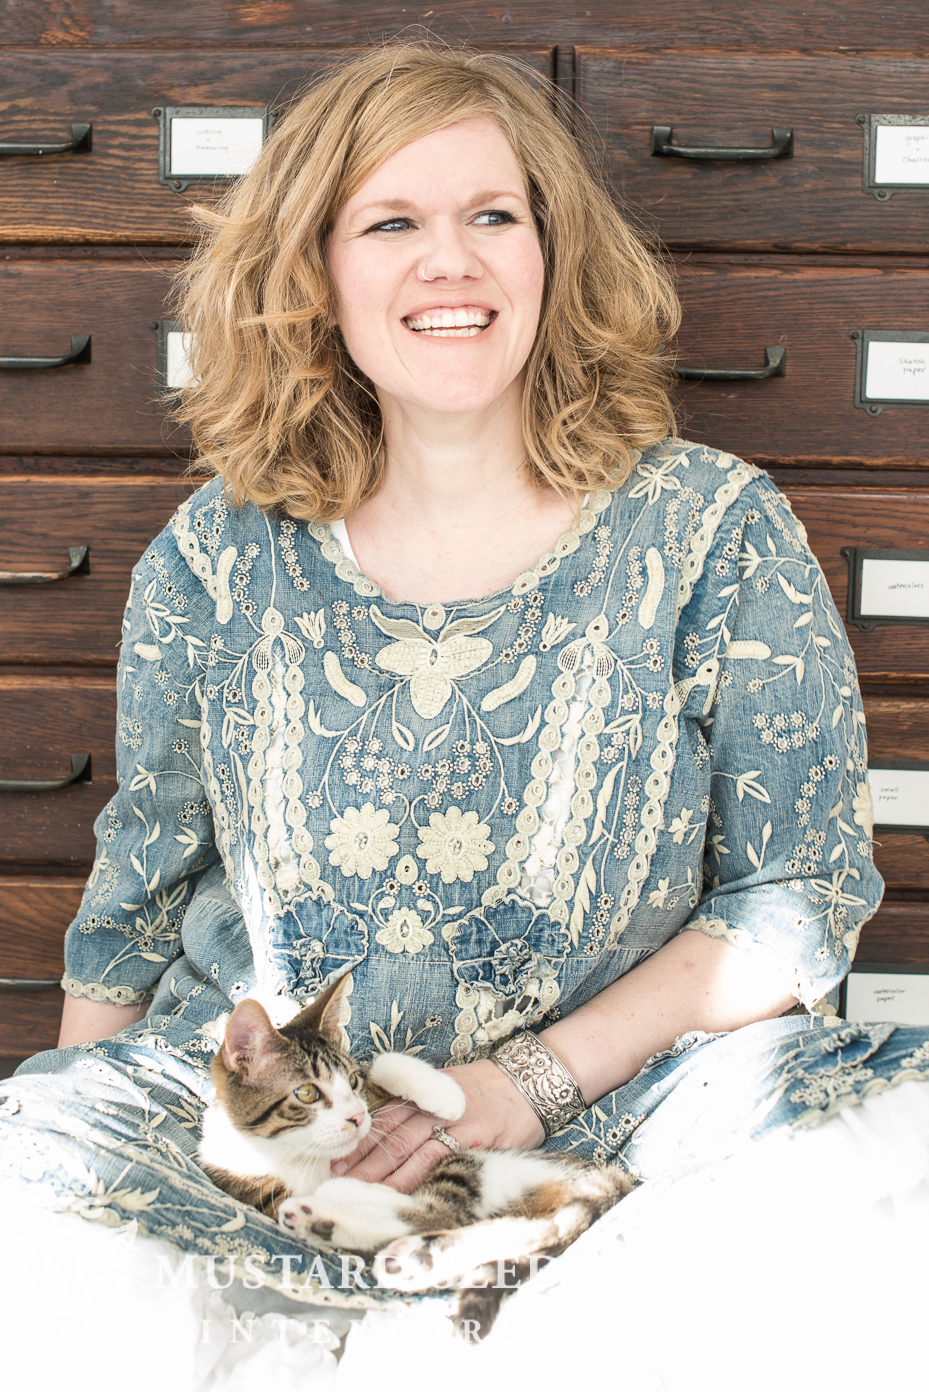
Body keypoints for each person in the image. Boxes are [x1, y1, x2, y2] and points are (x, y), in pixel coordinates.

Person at [4, 43, 928, 1324]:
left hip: (624, 1110)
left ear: (550, 254)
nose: (451, 261)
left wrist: (522, 1088)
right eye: (391, 223)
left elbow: (799, 889)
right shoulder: (214, 555)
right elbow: (138, 898)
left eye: (492, 216)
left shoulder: (711, 530)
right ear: (314, 274)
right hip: (264, 1135)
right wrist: (65, 1181)